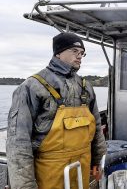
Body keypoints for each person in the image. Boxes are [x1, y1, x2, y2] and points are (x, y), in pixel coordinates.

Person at [6, 32, 107, 189]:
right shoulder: (32, 87)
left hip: (82, 169)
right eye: (74, 51)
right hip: (50, 175)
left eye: (82, 53)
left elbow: (97, 133)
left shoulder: (86, 87)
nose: (79, 56)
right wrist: (25, 186)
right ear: (58, 52)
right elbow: (18, 143)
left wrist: (98, 164)